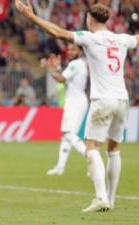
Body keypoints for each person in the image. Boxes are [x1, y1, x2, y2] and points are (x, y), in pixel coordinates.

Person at [15, 0, 139, 212]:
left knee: (91, 147)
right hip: (122, 100)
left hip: (102, 100)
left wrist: (32, 17)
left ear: (90, 19)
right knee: (114, 150)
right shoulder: (122, 39)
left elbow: (57, 32)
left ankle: (101, 197)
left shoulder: (89, 38)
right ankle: (111, 199)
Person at [43, 44, 88, 176]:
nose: (69, 52)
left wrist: (48, 68)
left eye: (73, 49)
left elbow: (61, 79)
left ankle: (90, 156)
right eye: (68, 49)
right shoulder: (77, 64)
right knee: (66, 135)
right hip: (74, 101)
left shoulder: (76, 64)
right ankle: (60, 167)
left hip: (76, 102)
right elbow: (64, 76)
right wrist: (56, 67)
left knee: (69, 133)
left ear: (80, 51)